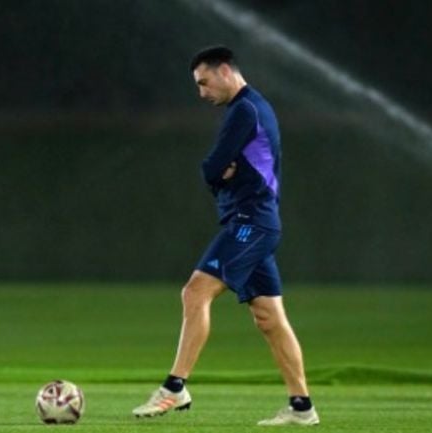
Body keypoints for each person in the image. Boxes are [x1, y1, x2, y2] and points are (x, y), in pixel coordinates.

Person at [131, 46, 319, 426]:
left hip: (251, 222)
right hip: (255, 222)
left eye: (204, 82)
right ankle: (303, 408)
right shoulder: (251, 107)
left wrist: (221, 174)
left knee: (195, 292)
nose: (202, 93)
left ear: (225, 71)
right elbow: (221, 168)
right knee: (269, 317)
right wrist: (223, 174)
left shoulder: (245, 110)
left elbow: (212, 166)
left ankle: (174, 388)